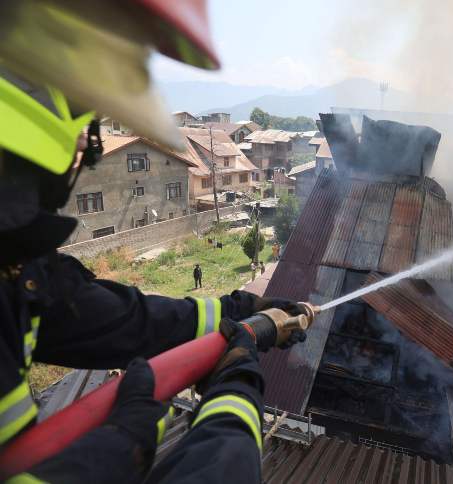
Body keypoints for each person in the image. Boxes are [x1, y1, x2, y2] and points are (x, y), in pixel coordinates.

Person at [0, 1, 304, 482]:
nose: (87, 146)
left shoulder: (14, 265)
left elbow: (115, 320)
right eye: (83, 117)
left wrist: (232, 312)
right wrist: (233, 398)